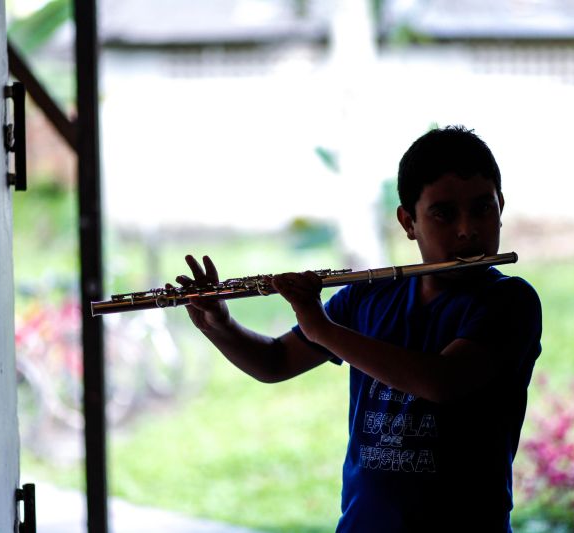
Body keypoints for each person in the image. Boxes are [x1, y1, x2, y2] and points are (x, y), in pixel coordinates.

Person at [178, 126, 542, 532]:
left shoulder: (510, 301)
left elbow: (445, 381)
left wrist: (323, 329)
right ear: (408, 221)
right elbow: (275, 362)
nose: (466, 230)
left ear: (501, 206)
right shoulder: (369, 295)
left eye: (482, 208)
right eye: (443, 213)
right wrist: (220, 324)